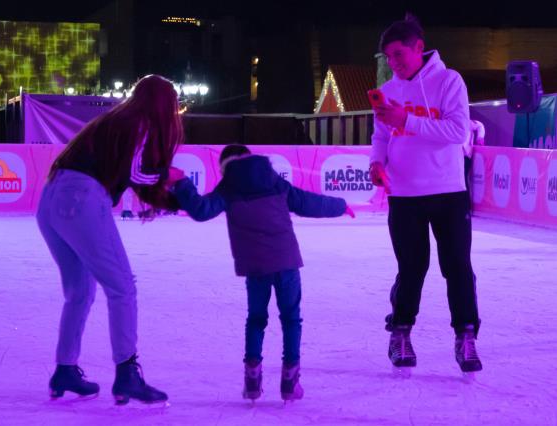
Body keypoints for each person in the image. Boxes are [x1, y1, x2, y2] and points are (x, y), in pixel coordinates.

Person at [37, 74, 185, 404]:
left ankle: (65, 369)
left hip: (51, 200)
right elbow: (135, 174)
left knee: (80, 291)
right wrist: (168, 176)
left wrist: (166, 197)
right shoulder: (140, 122)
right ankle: (127, 373)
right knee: (122, 287)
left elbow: (126, 172)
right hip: (82, 199)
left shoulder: (114, 120)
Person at [171, 144, 354, 401]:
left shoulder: (229, 187)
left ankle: (252, 381)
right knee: (291, 319)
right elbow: (307, 202)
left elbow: (202, 210)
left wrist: (181, 183)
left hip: (255, 266)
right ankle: (290, 383)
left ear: (225, 166)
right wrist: (340, 205)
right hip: (286, 261)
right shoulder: (274, 181)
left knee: (256, 319)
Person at [369, 15, 482, 373]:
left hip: (448, 191)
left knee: (457, 267)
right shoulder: (387, 91)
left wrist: (407, 120)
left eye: (398, 54)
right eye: (388, 57)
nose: (393, 63)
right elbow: (381, 136)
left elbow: (456, 131)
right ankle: (400, 333)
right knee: (411, 268)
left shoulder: (449, 81)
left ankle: (466, 337)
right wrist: (376, 162)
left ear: (419, 47)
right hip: (403, 195)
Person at [463, 119, 486, 196]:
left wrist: (480, 137)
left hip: (465, 155)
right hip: (452, 156)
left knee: (463, 180)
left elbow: (480, 125)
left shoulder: (466, 121)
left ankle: (465, 204)